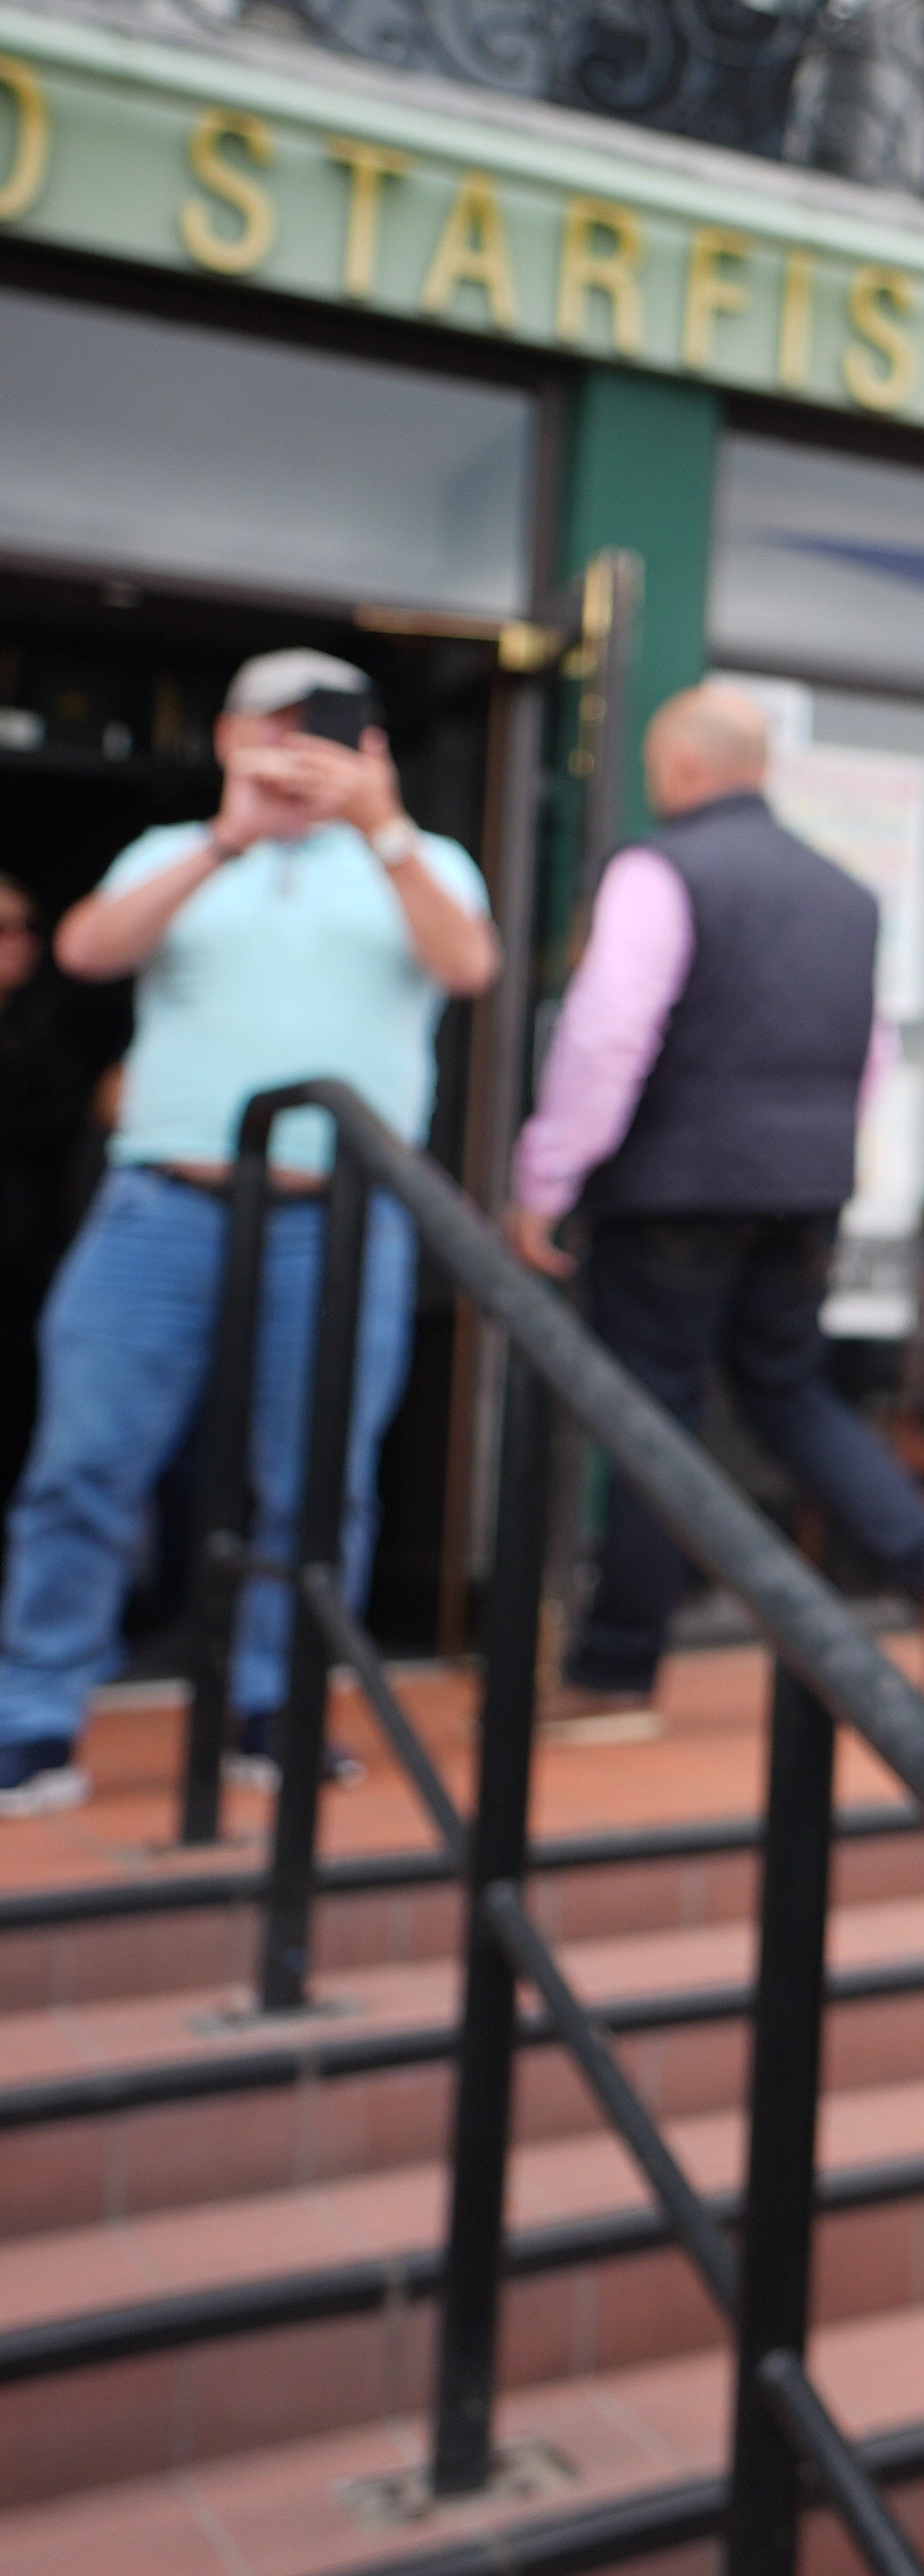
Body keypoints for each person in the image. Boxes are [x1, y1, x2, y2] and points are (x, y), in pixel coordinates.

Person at [0, 650, 496, 1816]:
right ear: (228, 737)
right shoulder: (175, 853)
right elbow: (84, 952)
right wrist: (227, 837)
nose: (298, 749)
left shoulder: (422, 861)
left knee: (317, 1478)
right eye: (276, 726)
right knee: (84, 1464)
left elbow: (467, 964)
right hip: (162, 1204)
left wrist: (384, 830)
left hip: (335, 1217)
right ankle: (32, 1716)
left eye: (326, 729)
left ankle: (279, 1705)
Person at [504, 688, 924, 1729]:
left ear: (683, 767)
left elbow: (607, 1034)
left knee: (650, 1420)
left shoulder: (660, 868)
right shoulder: (849, 894)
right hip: (804, 1190)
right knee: (789, 1393)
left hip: (672, 1191)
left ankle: (613, 1674)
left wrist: (547, 1178)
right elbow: (870, 1058)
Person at [0, 871, 121, 1540]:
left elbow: (67, 1124)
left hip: (29, 1258)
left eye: (27, 929)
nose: (20, 944)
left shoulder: (51, 1026)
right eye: (3, 930)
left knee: (31, 1421)